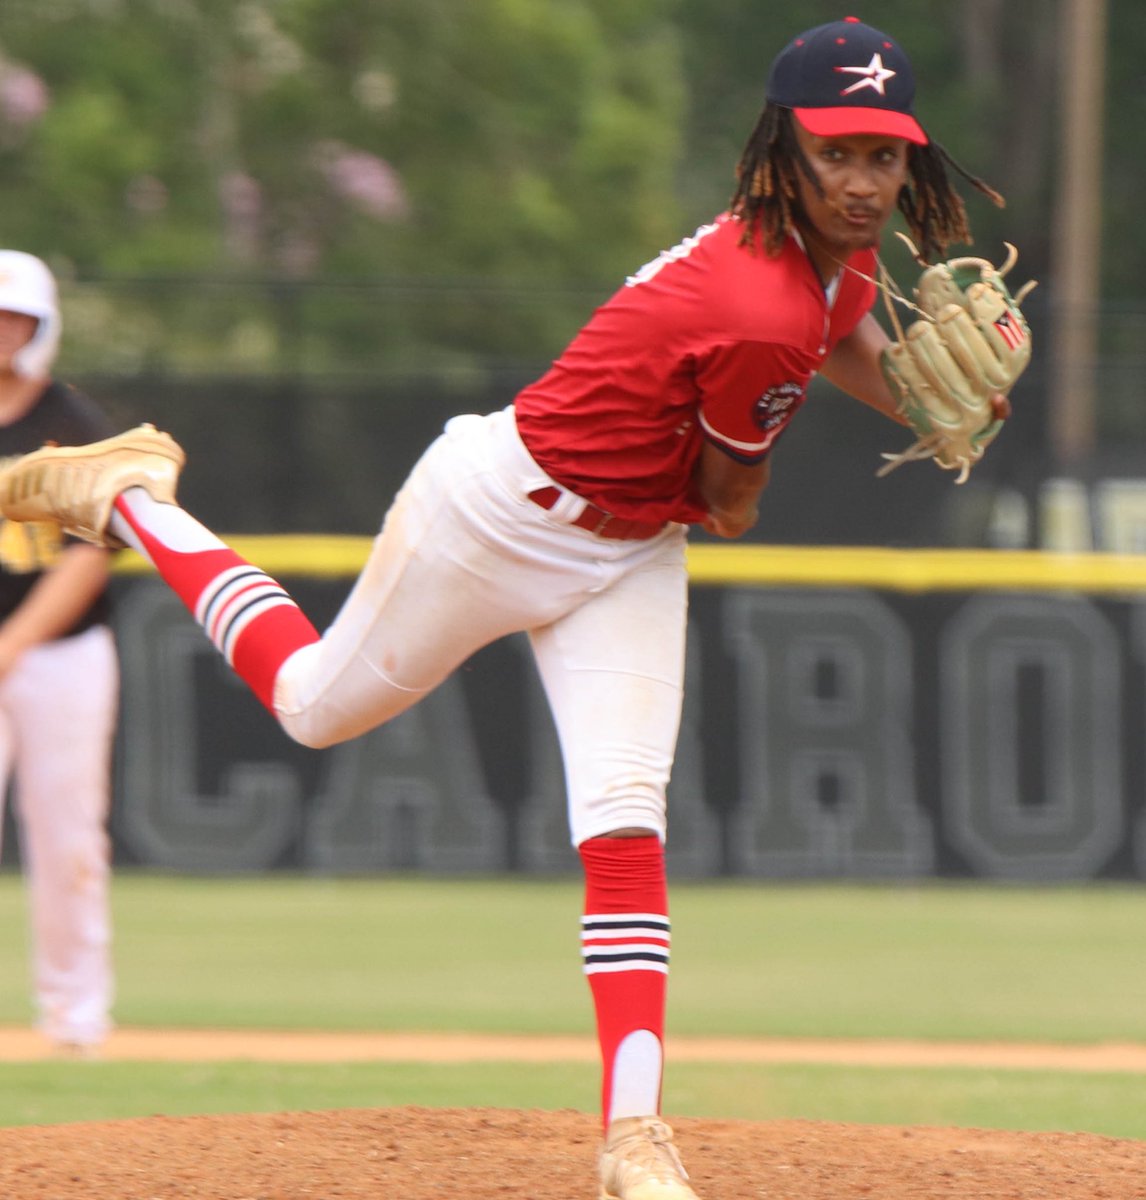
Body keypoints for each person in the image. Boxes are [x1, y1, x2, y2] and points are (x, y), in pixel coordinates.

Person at [0, 16, 1011, 1196]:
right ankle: (132, 499)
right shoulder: (754, 302)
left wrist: (946, 405)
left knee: (627, 821)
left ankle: (635, 1138)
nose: (860, 181)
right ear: (779, 147)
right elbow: (731, 502)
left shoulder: (817, 271)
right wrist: (913, 410)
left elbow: (845, 335)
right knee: (311, 705)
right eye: (835, 151)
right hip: (495, 514)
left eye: (883, 156)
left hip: (627, 548)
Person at [0, 251, 119, 1058]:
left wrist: (13, 642)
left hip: (60, 656)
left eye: (15, 316)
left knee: (67, 835)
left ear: (42, 327)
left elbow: (88, 553)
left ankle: (76, 1022)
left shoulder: (73, 427)